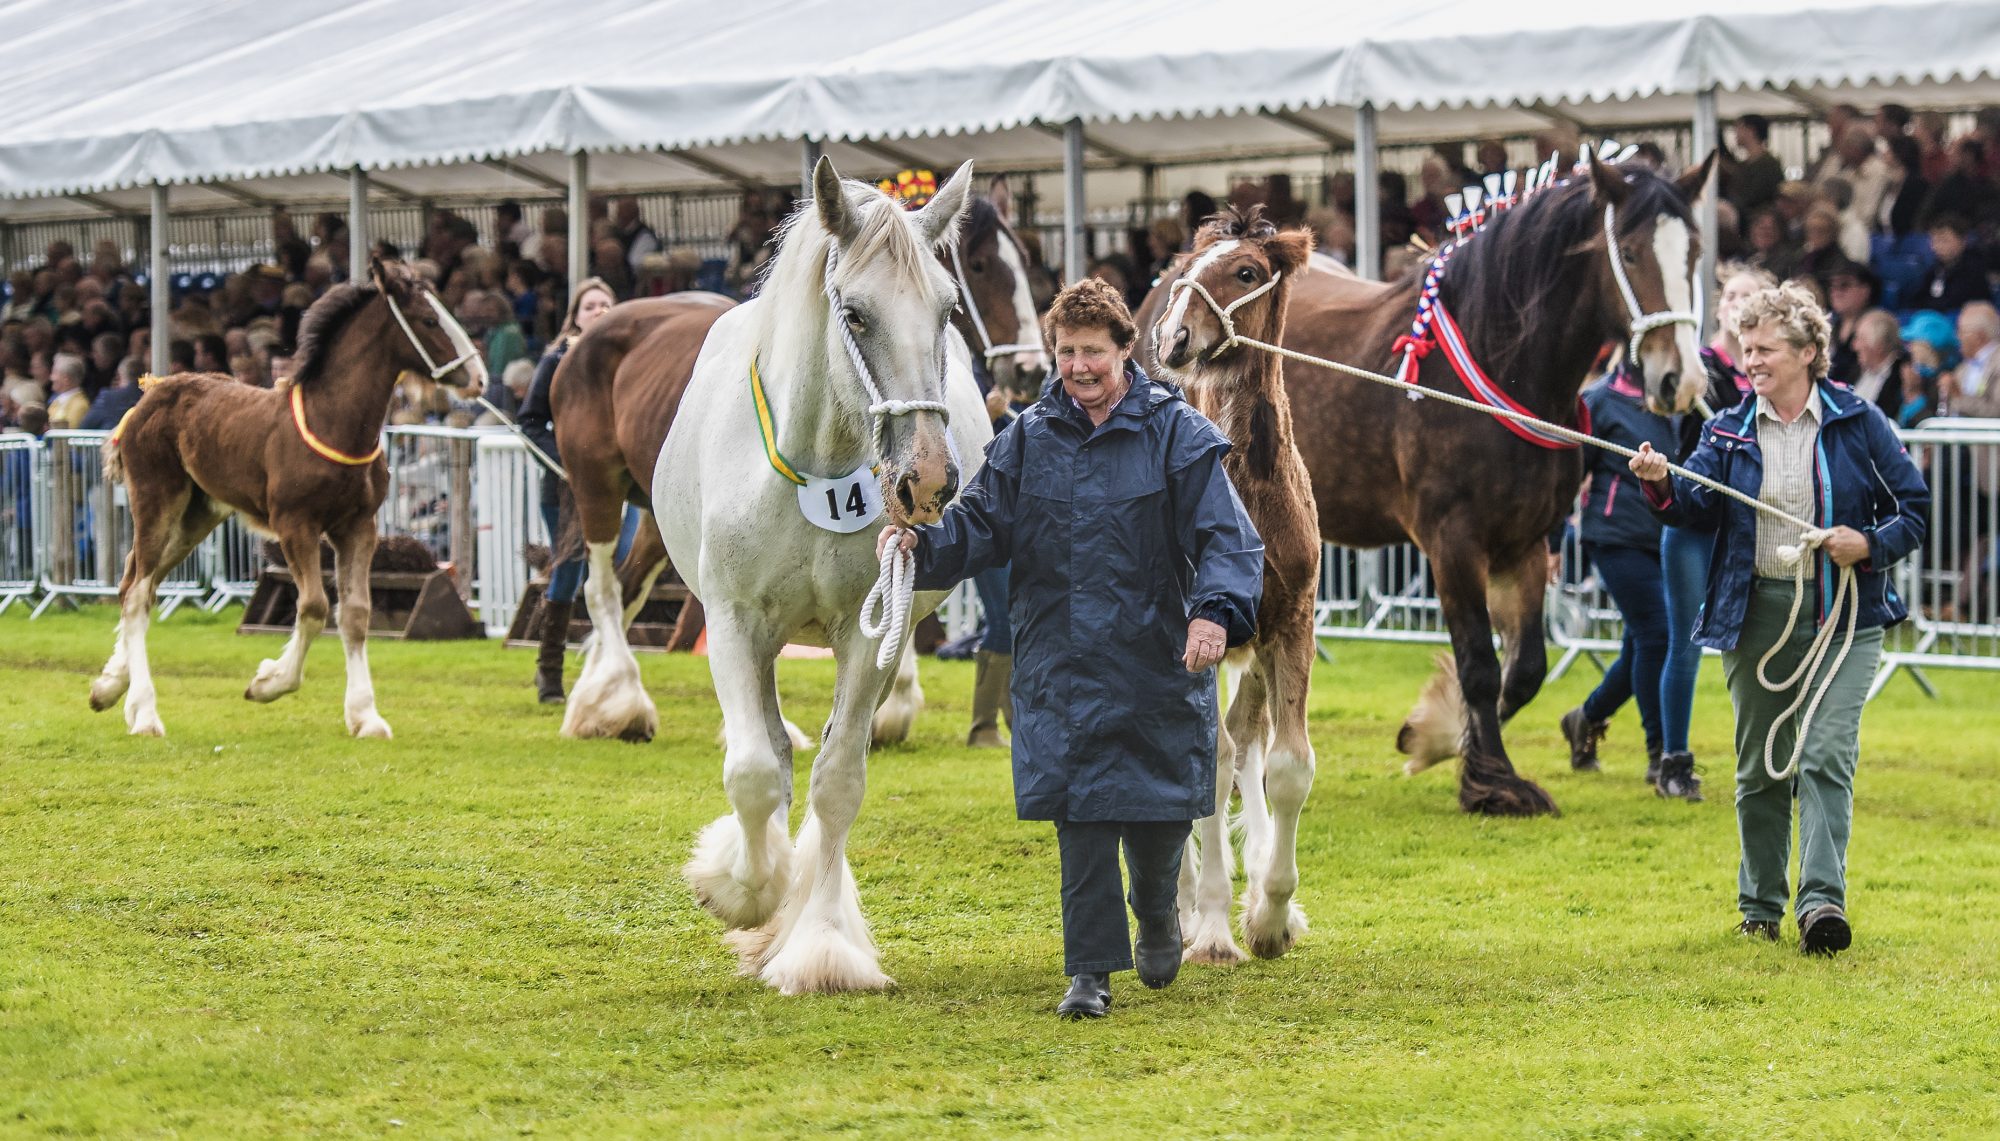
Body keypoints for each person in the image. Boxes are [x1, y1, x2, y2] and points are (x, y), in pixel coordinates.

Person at [881, 279, 1263, 1019]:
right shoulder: (1028, 437)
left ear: (1126, 351)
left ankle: (1156, 910)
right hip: (1062, 667)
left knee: (1157, 819)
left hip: (1155, 661)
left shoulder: (1175, 432)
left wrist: (1213, 612)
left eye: (1093, 351)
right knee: (1081, 818)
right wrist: (918, 548)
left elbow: (1227, 535)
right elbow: (981, 525)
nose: (1079, 366)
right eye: (1066, 352)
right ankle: (1089, 972)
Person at [1630, 281, 1928, 956]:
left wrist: (1868, 544)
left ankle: (1821, 901)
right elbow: (1693, 505)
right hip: (1756, 612)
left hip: (1845, 611)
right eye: (1746, 347)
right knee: (1760, 765)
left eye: (1765, 347)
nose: (1752, 359)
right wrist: (1659, 481)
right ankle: (1760, 905)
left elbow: (1913, 509)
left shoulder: (1859, 422)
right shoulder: (1728, 427)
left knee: (1825, 753)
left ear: (1808, 351)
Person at [1650, 266, 1767, 798]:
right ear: (1720, 308)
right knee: (1686, 643)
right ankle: (1673, 761)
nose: (1739, 304)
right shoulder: (1701, 367)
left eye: (1752, 297)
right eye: (1733, 296)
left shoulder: (1769, 374)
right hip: (1698, 522)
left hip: (1750, 525)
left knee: (1766, 642)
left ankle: (1773, 757)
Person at [1559, 362, 1680, 793]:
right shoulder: (1601, 400)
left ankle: (1585, 718)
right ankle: (1661, 752)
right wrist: (1554, 541)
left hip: (1666, 534)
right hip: (1614, 535)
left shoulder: (1675, 394)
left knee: (1641, 645)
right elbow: (1568, 474)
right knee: (1657, 636)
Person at [518, 278, 622, 704]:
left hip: (618, 485)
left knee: (619, 565)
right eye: (590, 306)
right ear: (575, 316)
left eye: (606, 304)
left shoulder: (626, 359)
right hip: (564, 489)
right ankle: (549, 673)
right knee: (570, 570)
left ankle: (605, 665)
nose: (598, 311)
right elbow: (529, 421)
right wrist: (568, 464)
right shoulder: (557, 357)